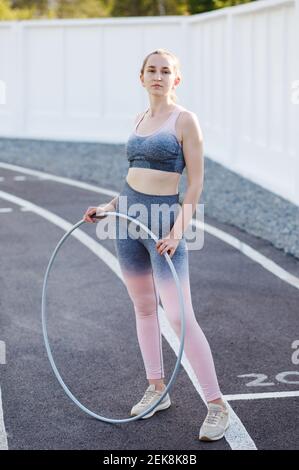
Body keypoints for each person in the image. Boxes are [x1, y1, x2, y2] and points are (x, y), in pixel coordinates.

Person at [84, 48, 230, 442]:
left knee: (181, 318)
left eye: (166, 71)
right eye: (152, 70)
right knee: (144, 308)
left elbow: (195, 184)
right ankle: (156, 387)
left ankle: (217, 406)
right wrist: (107, 207)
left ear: (176, 80)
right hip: (127, 224)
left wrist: (178, 232)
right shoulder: (138, 120)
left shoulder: (185, 121)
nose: (158, 76)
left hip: (165, 229)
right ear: (142, 77)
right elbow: (132, 179)